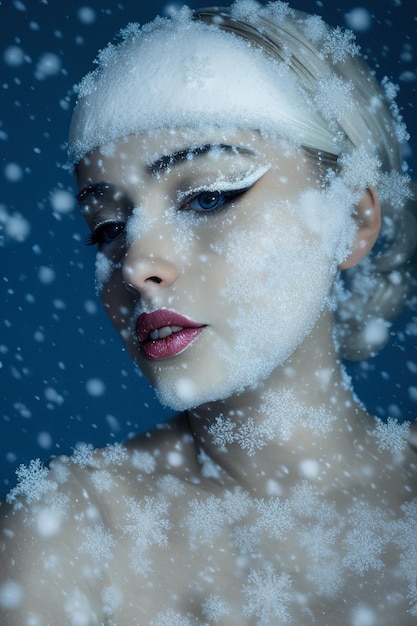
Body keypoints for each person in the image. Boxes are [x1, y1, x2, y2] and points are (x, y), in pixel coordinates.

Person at [1, 1, 416, 624]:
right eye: (107, 226)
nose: (137, 262)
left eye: (207, 197)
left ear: (352, 218)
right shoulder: (68, 535)